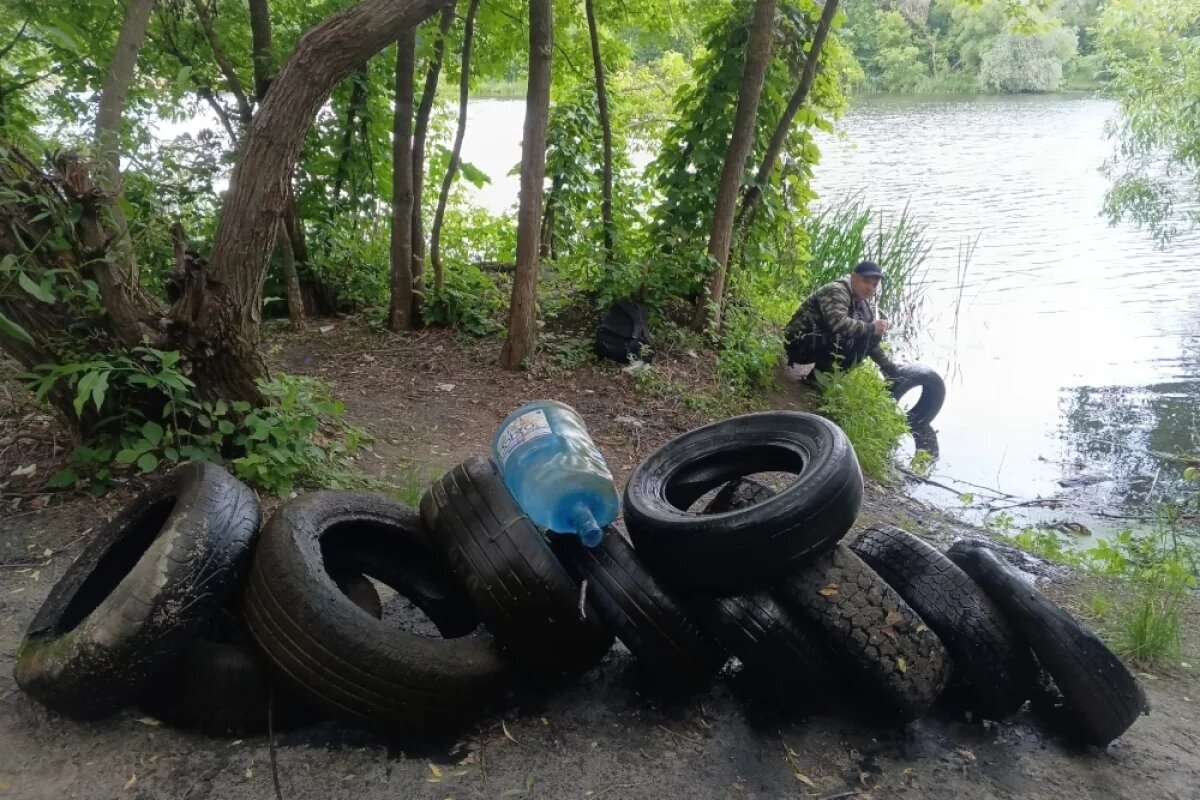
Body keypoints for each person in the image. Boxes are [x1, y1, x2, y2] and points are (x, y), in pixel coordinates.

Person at [784, 260, 900, 380]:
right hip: (796, 341)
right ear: (854, 277)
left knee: (866, 337)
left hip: (816, 340)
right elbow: (838, 324)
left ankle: (818, 380)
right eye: (866, 281)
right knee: (849, 336)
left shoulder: (862, 304)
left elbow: (870, 343)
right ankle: (819, 379)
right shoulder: (837, 290)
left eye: (874, 285)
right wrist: (871, 328)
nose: (870, 288)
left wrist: (890, 367)